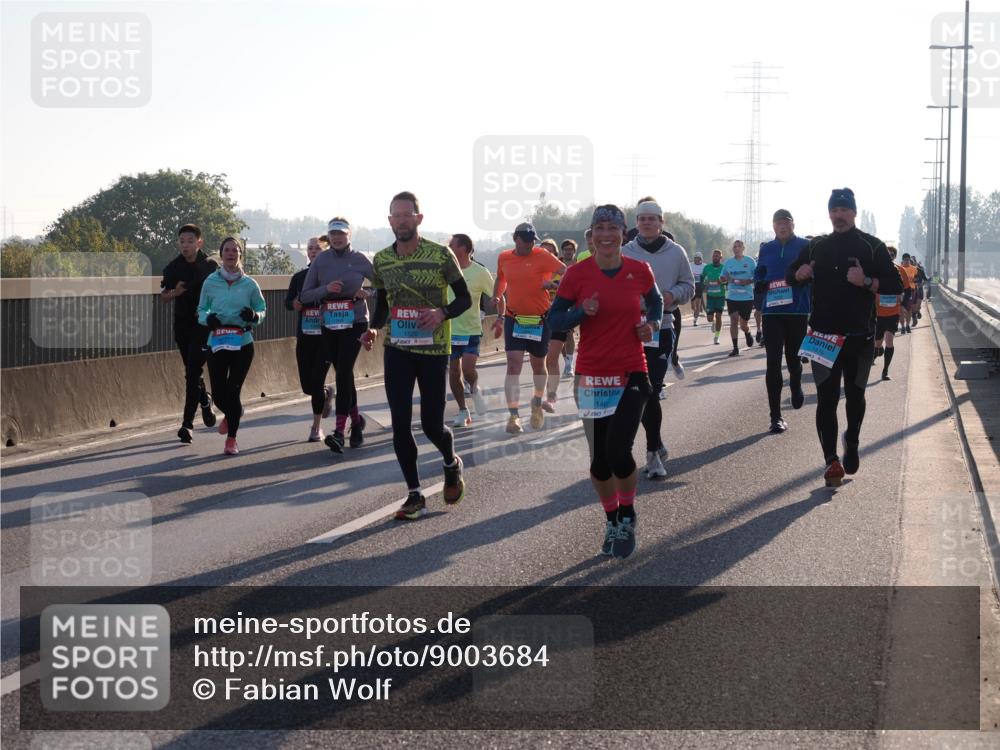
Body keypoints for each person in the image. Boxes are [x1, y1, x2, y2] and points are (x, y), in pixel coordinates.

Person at [549, 204, 662, 559]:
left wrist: (652, 325)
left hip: (631, 370)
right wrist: (582, 312)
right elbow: (555, 319)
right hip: (592, 374)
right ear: (592, 234)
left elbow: (656, 302)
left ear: (623, 233)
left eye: (613, 228)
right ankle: (612, 518)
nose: (607, 235)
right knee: (599, 461)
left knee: (618, 451)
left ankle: (627, 512)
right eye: (600, 228)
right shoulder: (576, 274)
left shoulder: (639, 270)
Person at [361, 191, 470, 519]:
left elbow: (464, 298)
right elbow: (381, 305)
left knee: (432, 424)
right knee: (400, 424)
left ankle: (451, 463)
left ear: (419, 219)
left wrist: (441, 313)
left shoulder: (440, 255)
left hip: (434, 349)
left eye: (408, 215)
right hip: (397, 348)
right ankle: (414, 494)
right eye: (397, 215)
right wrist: (374, 328)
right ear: (390, 220)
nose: (402, 220)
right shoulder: (381, 260)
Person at [786, 188, 902, 487]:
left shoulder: (872, 246)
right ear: (829, 214)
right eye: (834, 210)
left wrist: (865, 281)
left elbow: (893, 285)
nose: (838, 215)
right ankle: (830, 461)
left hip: (859, 336)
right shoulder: (816, 247)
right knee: (826, 399)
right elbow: (790, 275)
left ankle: (851, 440)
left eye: (843, 210)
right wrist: (798, 275)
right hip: (823, 335)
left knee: (855, 396)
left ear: (853, 212)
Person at [622, 199, 694, 479]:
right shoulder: (626, 251)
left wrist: (671, 295)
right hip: (631, 329)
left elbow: (689, 285)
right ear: (637, 223)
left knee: (650, 388)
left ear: (662, 223)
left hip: (661, 327)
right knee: (638, 390)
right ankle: (656, 443)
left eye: (653, 219)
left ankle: (652, 453)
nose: (648, 223)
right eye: (643, 219)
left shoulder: (676, 252)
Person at [299, 217, 375, 452]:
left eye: (341, 233)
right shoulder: (321, 260)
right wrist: (326, 290)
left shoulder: (360, 259)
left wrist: (369, 293)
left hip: (355, 321)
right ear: (329, 237)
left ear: (349, 235)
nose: (337, 238)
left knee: (343, 372)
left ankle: (340, 432)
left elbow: (382, 286)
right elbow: (304, 295)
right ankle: (357, 423)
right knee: (344, 374)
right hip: (329, 323)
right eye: (333, 234)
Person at [490, 222, 565, 433]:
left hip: (540, 319)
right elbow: (501, 279)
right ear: (516, 238)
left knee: (538, 366)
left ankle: (537, 402)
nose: (531, 244)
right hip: (515, 318)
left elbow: (566, 273)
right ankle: (513, 416)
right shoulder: (504, 257)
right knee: (513, 366)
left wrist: (553, 285)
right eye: (527, 240)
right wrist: (497, 295)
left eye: (534, 240)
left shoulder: (542, 255)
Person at [197, 238, 267, 455]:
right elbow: (201, 310)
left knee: (233, 390)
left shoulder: (250, 284)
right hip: (217, 341)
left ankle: (232, 439)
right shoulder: (210, 282)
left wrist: (254, 316)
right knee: (219, 394)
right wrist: (207, 319)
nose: (230, 254)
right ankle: (235, 412)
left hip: (242, 342)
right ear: (221, 254)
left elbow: (262, 310)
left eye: (235, 250)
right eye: (226, 250)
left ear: (240, 255)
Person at [160, 224, 218, 444]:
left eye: (190, 241)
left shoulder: (210, 266)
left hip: (203, 326)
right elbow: (163, 297)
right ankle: (204, 400)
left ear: (199, 243)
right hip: (182, 326)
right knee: (192, 371)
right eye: (182, 241)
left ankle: (187, 425)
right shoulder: (173, 268)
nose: (185, 245)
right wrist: (176, 292)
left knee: (192, 373)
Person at [755, 209, 810, 433]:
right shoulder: (766, 248)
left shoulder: (805, 246)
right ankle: (775, 416)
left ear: (793, 224)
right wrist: (758, 283)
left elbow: (814, 271)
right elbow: (760, 272)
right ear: (773, 226)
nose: (782, 227)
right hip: (772, 312)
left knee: (794, 359)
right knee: (773, 363)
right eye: (778, 224)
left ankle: (796, 385)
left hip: (797, 311)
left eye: (786, 223)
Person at [285, 236, 335, 442]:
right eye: (310, 248)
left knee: (315, 381)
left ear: (325, 252)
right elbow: (288, 302)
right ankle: (325, 393)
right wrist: (294, 304)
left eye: (318, 248)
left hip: (326, 337)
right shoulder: (299, 277)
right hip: (305, 336)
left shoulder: (331, 277)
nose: (313, 251)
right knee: (307, 386)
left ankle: (316, 428)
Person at [447, 233, 494, 426]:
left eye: (452, 245)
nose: (448, 248)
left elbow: (495, 294)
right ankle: (462, 410)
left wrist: (501, 316)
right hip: (449, 328)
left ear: (464, 248)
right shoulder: (446, 271)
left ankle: (475, 390)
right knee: (453, 372)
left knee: (467, 369)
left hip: (471, 329)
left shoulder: (480, 272)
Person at [721, 240, 757, 356]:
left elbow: (757, 276)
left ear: (743, 248)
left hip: (746, 297)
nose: (736, 248)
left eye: (739, 246)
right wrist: (723, 279)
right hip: (732, 296)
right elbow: (723, 276)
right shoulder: (728, 262)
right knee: (734, 319)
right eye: (735, 247)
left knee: (743, 324)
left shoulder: (750, 261)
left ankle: (747, 332)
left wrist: (749, 281)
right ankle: (735, 347)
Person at [874, 246, 905, 381]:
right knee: (877, 342)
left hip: (893, 312)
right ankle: (878, 349)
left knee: (889, 340)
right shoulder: (876, 270)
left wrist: (902, 299)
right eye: (887, 254)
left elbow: (906, 290)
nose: (890, 256)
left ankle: (885, 370)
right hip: (878, 313)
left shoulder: (900, 270)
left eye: (892, 255)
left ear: (894, 256)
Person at [557, 239, 580, 377]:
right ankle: (567, 361)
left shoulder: (579, 265)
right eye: (565, 249)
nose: (568, 251)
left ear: (574, 251)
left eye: (570, 249)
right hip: (557, 303)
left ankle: (569, 364)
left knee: (569, 333)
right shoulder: (556, 264)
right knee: (560, 335)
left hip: (574, 303)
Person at [701, 249, 727, 344]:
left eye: (717, 256)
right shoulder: (707, 267)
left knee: (719, 316)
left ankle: (716, 337)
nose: (715, 257)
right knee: (710, 318)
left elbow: (727, 280)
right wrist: (704, 285)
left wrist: (722, 281)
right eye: (714, 256)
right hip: (710, 296)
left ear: (721, 257)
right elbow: (702, 278)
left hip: (720, 296)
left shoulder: (724, 268)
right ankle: (713, 322)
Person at [898, 253, 917, 335]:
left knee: (909, 310)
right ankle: (902, 327)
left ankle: (907, 325)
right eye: (905, 260)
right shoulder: (898, 268)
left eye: (908, 260)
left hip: (910, 291)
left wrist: (915, 281)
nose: (907, 261)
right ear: (902, 260)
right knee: (901, 310)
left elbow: (917, 278)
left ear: (909, 260)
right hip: (901, 291)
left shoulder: (914, 269)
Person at [690, 251, 706, 325]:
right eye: (695, 258)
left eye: (698, 258)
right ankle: (695, 313)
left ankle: (695, 320)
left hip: (700, 287)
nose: (696, 259)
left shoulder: (704, 266)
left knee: (698, 304)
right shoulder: (690, 265)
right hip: (692, 287)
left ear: (701, 259)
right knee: (693, 306)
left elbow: (706, 276)